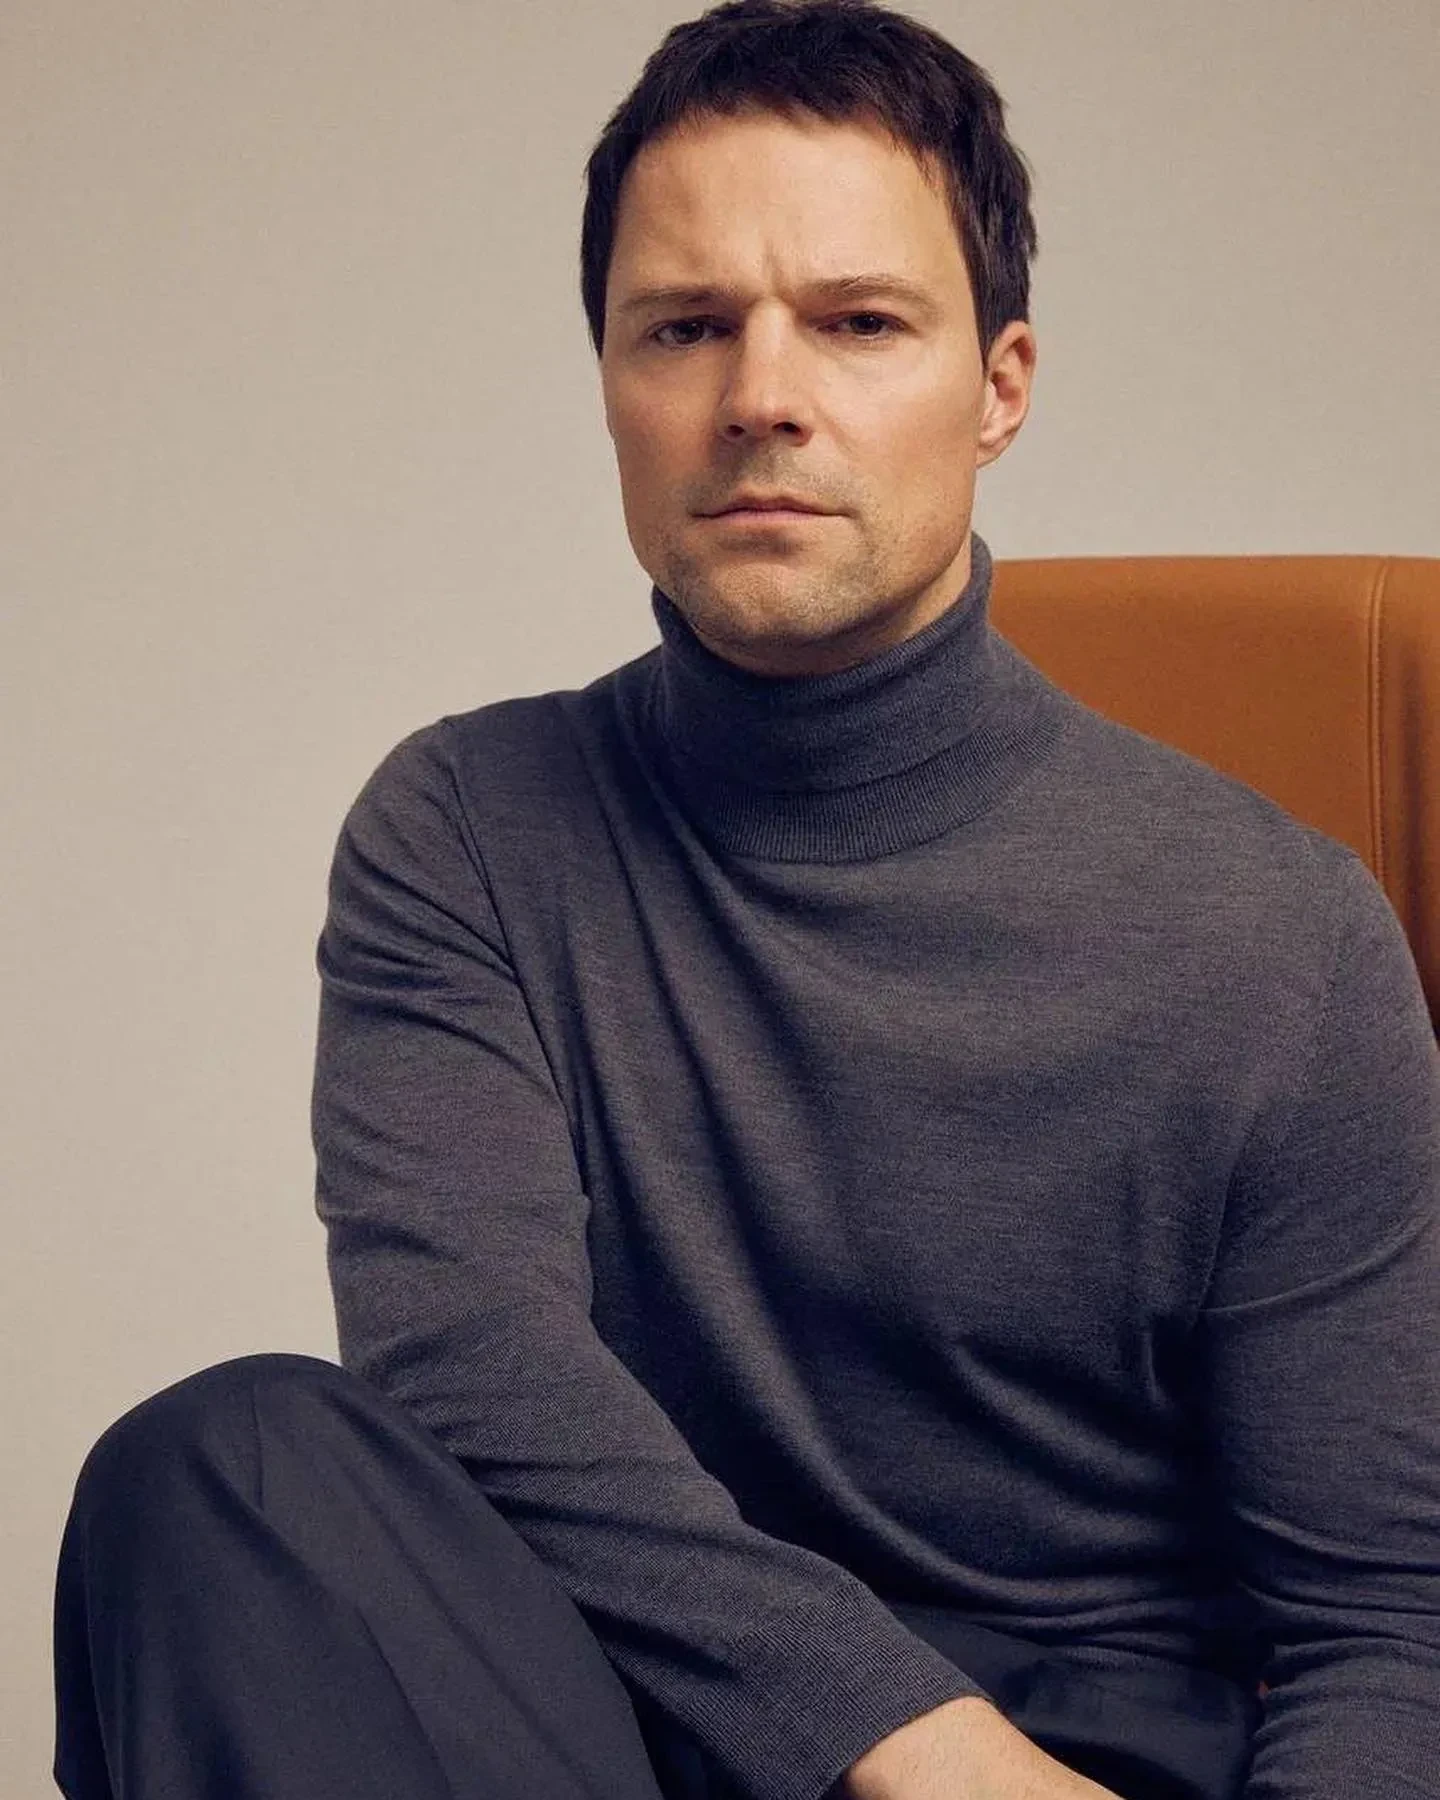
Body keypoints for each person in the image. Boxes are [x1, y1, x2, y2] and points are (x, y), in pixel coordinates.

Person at [52, 2, 1440, 1798]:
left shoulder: (1282, 933)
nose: (759, 396)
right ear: (611, 384)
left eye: (859, 323)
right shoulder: (466, 827)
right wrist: (911, 1751)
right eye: (685, 327)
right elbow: (470, 1372)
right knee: (226, 1460)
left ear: (1000, 386)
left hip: (1090, 1756)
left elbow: (1384, 1622)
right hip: (622, 1735)